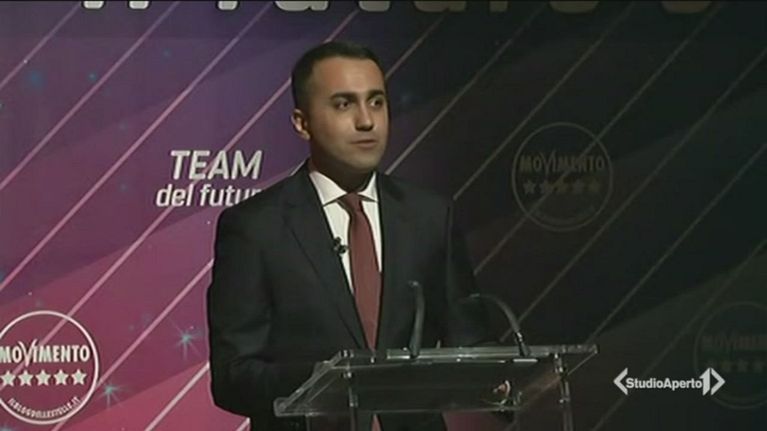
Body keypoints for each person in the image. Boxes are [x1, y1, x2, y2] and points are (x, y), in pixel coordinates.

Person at [206, 41, 492, 431]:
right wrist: (330, 383)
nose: (366, 121)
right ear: (302, 122)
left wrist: (511, 382)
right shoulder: (256, 228)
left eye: (376, 102)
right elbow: (233, 377)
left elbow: (472, 344)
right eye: (344, 104)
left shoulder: (430, 216)